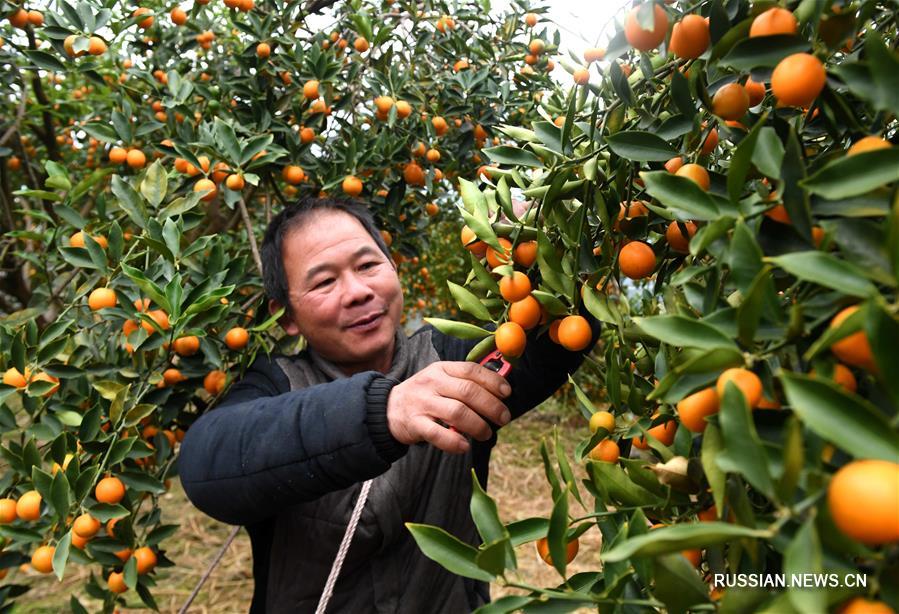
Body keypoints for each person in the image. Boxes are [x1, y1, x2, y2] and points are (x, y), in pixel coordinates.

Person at [179, 196, 599, 613]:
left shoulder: (457, 362)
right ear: (286, 316)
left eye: (368, 265)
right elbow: (207, 462)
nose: (357, 292)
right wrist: (382, 411)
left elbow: (562, 338)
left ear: (394, 268)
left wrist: (539, 246)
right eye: (324, 282)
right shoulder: (276, 387)